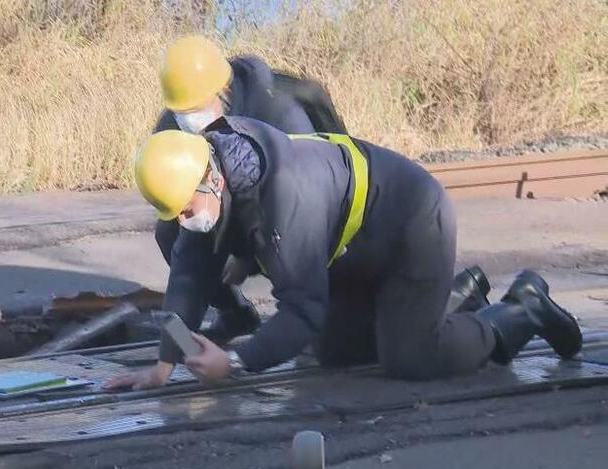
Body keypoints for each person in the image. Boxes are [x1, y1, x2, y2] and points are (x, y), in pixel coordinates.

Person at [104, 118, 581, 391]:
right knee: (333, 353)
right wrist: (163, 364)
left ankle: (518, 312)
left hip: (411, 227)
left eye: (187, 207)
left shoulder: (284, 199)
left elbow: (302, 309)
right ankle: (453, 298)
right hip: (351, 246)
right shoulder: (215, 175)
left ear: (212, 178)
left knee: (410, 358)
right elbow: (190, 269)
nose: (186, 219)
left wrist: (241, 362)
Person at [152, 35, 349, 343]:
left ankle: (311, 311)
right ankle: (236, 314)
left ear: (224, 91)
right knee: (170, 231)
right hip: (232, 212)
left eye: (197, 107)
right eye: (181, 110)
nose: (188, 118)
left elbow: (308, 204)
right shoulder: (174, 123)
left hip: (300, 219)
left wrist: (248, 258)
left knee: (330, 346)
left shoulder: (279, 113)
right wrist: (173, 348)